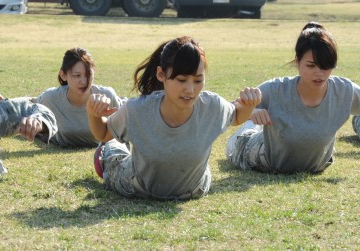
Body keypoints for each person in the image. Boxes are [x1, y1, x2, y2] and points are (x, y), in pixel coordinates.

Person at [86, 36, 262, 200]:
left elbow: (238, 116)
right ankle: (109, 150)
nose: (190, 90)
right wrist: (93, 114)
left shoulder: (212, 106)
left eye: (198, 80)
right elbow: (102, 133)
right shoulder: (136, 110)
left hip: (194, 189)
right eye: (181, 80)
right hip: (137, 186)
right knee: (112, 150)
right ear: (161, 74)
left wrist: (249, 104)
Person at [226, 22, 360, 174]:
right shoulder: (276, 88)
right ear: (298, 62)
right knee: (245, 133)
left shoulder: (343, 90)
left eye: (326, 66)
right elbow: (231, 112)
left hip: (315, 166)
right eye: (311, 65)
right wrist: (251, 110)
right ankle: (249, 130)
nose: (319, 73)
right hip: (258, 153)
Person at [0, 47, 122, 147]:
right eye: (77, 75)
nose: (84, 81)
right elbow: (30, 103)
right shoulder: (51, 98)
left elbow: (126, 125)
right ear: (63, 75)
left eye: (88, 75)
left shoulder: (107, 96)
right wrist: (4, 104)